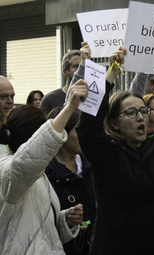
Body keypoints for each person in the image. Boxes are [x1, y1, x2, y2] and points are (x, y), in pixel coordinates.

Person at [69, 43, 154, 254]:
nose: (141, 116)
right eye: (131, 112)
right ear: (114, 123)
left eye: (143, 110)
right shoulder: (106, 154)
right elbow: (88, 125)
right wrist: (113, 71)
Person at [0, 79, 88, 254]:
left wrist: (64, 220)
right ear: (35, 137)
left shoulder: (39, 174)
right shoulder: (8, 167)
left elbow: (39, 229)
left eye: (12, 96)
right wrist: (69, 107)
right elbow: (28, 160)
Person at [45, 107, 96, 255]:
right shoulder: (44, 174)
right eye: (78, 130)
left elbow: (95, 215)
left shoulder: (93, 165)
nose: (84, 135)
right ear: (62, 133)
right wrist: (66, 225)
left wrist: (84, 224)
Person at [40, 49, 83, 114]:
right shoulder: (50, 99)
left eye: (83, 67)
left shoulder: (92, 99)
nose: (81, 71)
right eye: (76, 66)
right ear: (65, 72)